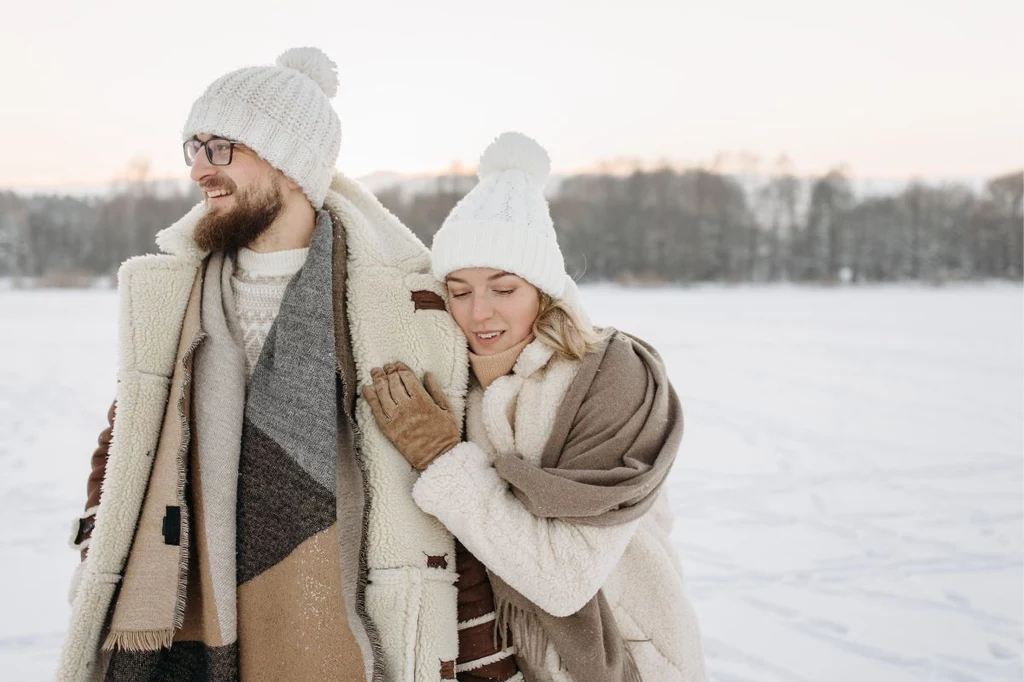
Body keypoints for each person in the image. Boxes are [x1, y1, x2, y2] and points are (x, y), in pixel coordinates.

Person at [59, 48, 471, 682]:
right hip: (182, 615)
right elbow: (126, 436)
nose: (198, 169)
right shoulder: (175, 293)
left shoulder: (400, 301)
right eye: (192, 148)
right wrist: (97, 543)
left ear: (290, 161)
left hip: (354, 629)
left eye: (220, 147)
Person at [362, 132, 708, 681]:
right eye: (459, 290)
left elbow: (565, 579)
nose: (478, 314)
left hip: (623, 656)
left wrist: (440, 456)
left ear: (543, 290)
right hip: (503, 660)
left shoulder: (613, 377)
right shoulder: (453, 378)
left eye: (503, 289)